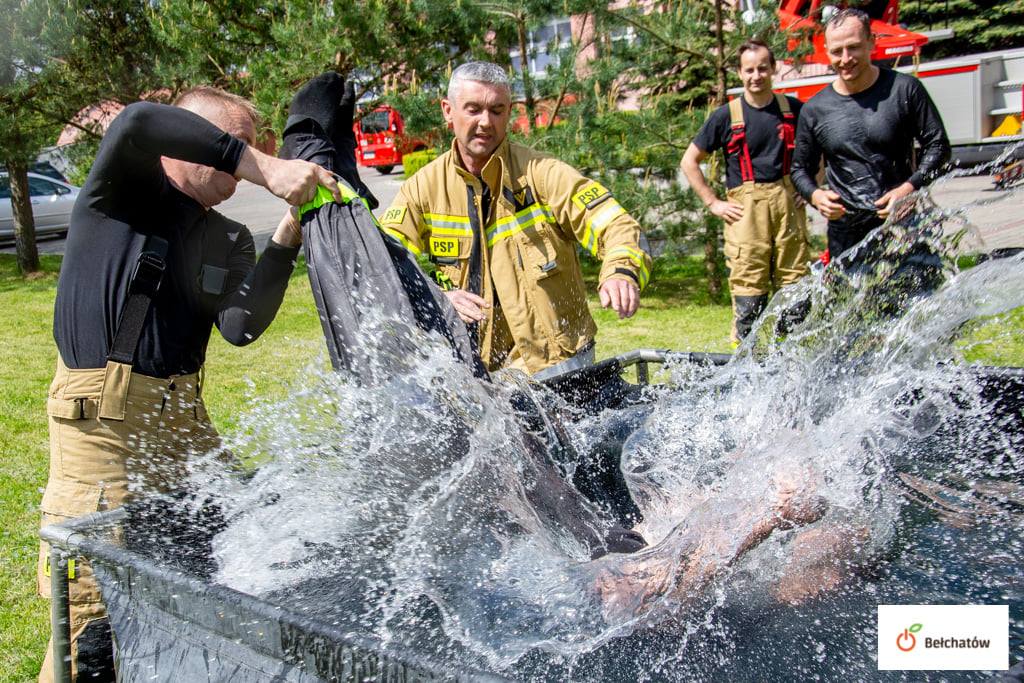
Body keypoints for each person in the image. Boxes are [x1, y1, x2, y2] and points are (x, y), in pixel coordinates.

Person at [37, 86, 340, 682]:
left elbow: (239, 325)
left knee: (218, 566)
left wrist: (284, 239)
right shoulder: (121, 194)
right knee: (96, 609)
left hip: (188, 426)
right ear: (184, 137)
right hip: (105, 427)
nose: (239, 159)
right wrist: (267, 166)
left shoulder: (224, 236)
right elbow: (136, 120)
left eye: (251, 147)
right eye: (231, 145)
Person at [378, 61, 652, 379]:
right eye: (473, 109)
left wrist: (621, 272)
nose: (485, 122)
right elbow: (381, 259)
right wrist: (436, 295)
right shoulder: (422, 189)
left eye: (497, 110)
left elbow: (616, 224)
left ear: (510, 112)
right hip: (477, 377)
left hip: (559, 370)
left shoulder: (542, 173)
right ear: (447, 111)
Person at [790, 7, 951, 261]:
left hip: (903, 221)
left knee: (918, 299)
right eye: (836, 51)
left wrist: (908, 188)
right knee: (851, 302)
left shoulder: (904, 90)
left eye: (853, 47)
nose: (845, 58)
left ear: (871, 43)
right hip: (846, 233)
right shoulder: (815, 109)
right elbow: (799, 170)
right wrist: (816, 195)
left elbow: (939, 147)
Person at [682, 38, 810, 345]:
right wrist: (713, 202)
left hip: (788, 204)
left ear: (773, 69)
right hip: (745, 212)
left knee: (794, 289)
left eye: (762, 68)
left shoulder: (793, 109)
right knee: (749, 292)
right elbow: (689, 161)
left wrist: (809, 187)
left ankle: (789, 358)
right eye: (749, 70)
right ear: (740, 73)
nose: (757, 76)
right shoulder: (726, 116)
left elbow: (817, 150)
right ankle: (745, 361)